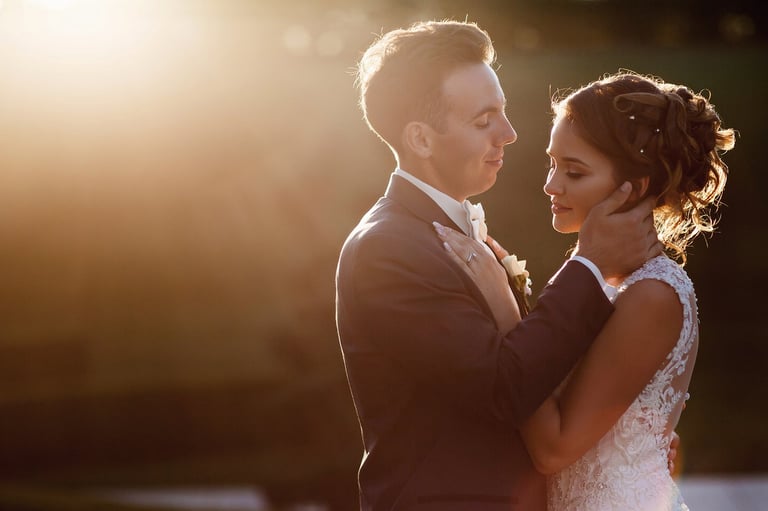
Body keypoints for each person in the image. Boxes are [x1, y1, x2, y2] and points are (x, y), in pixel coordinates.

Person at [335, 20, 664, 511]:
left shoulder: (461, 233)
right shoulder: (389, 250)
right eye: (484, 120)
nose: (508, 134)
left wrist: (616, 442)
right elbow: (505, 390)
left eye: (503, 112)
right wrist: (590, 264)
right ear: (421, 139)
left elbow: (534, 369)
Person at [436, 71, 735, 510]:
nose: (551, 185)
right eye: (553, 163)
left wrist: (505, 310)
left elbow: (554, 448)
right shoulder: (604, 279)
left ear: (636, 188)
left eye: (574, 172)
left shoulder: (652, 294)